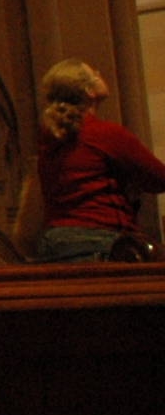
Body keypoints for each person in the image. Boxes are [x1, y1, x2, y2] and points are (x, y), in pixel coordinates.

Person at [19, 59, 165, 262]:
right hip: (98, 238)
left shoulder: (50, 138)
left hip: (54, 240)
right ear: (89, 91)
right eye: (95, 74)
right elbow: (159, 178)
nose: (99, 73)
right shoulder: (104, 134)